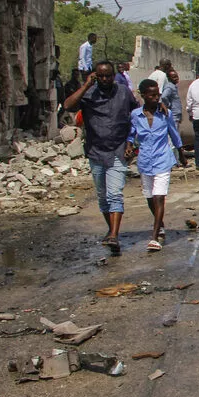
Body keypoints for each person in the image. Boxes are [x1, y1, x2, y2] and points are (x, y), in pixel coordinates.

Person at [62, 60, 139, 254]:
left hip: (118, 150)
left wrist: (131, 142)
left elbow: (136, 115)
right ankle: (111, 230)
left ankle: (114, 235)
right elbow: (68, 105)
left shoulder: (123, 92)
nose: (105, 79)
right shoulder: (88, 93)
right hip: (95, 151)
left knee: (115, 194)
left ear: (114, 76)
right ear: (95, 76)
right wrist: (87, 84)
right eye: (101, 76)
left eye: (108, 75)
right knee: (102, 197)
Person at [126, 79, 184, 252]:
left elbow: (173, 133)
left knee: (159, 196)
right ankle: (161, 224)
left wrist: (181, 153)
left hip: (162, 159)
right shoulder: (136, 115)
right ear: (143, 96)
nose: (156, 98)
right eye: (152, 95)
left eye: (157, 94)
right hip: (144, 161)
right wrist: (129, 146)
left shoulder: (164, 114)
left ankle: (154, 236)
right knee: (150, 197)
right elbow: (131, 134)